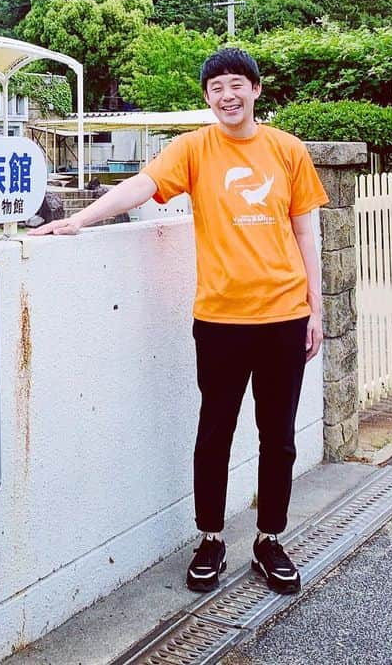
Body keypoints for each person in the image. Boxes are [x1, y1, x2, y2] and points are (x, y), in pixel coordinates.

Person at [29, 48, 327, 595]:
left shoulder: (287, 150)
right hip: (219, 319)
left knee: (278, 437)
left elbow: (305, 232)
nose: (227, 95)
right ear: (207, 97)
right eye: (216, 88)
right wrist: (78, 221)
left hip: (285, 316)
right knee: (214, 433)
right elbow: (140, 187)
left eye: (236, 84)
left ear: (256, 90)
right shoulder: (193, 149)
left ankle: (269, 539)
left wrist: (316, 307)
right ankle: (211, 538)